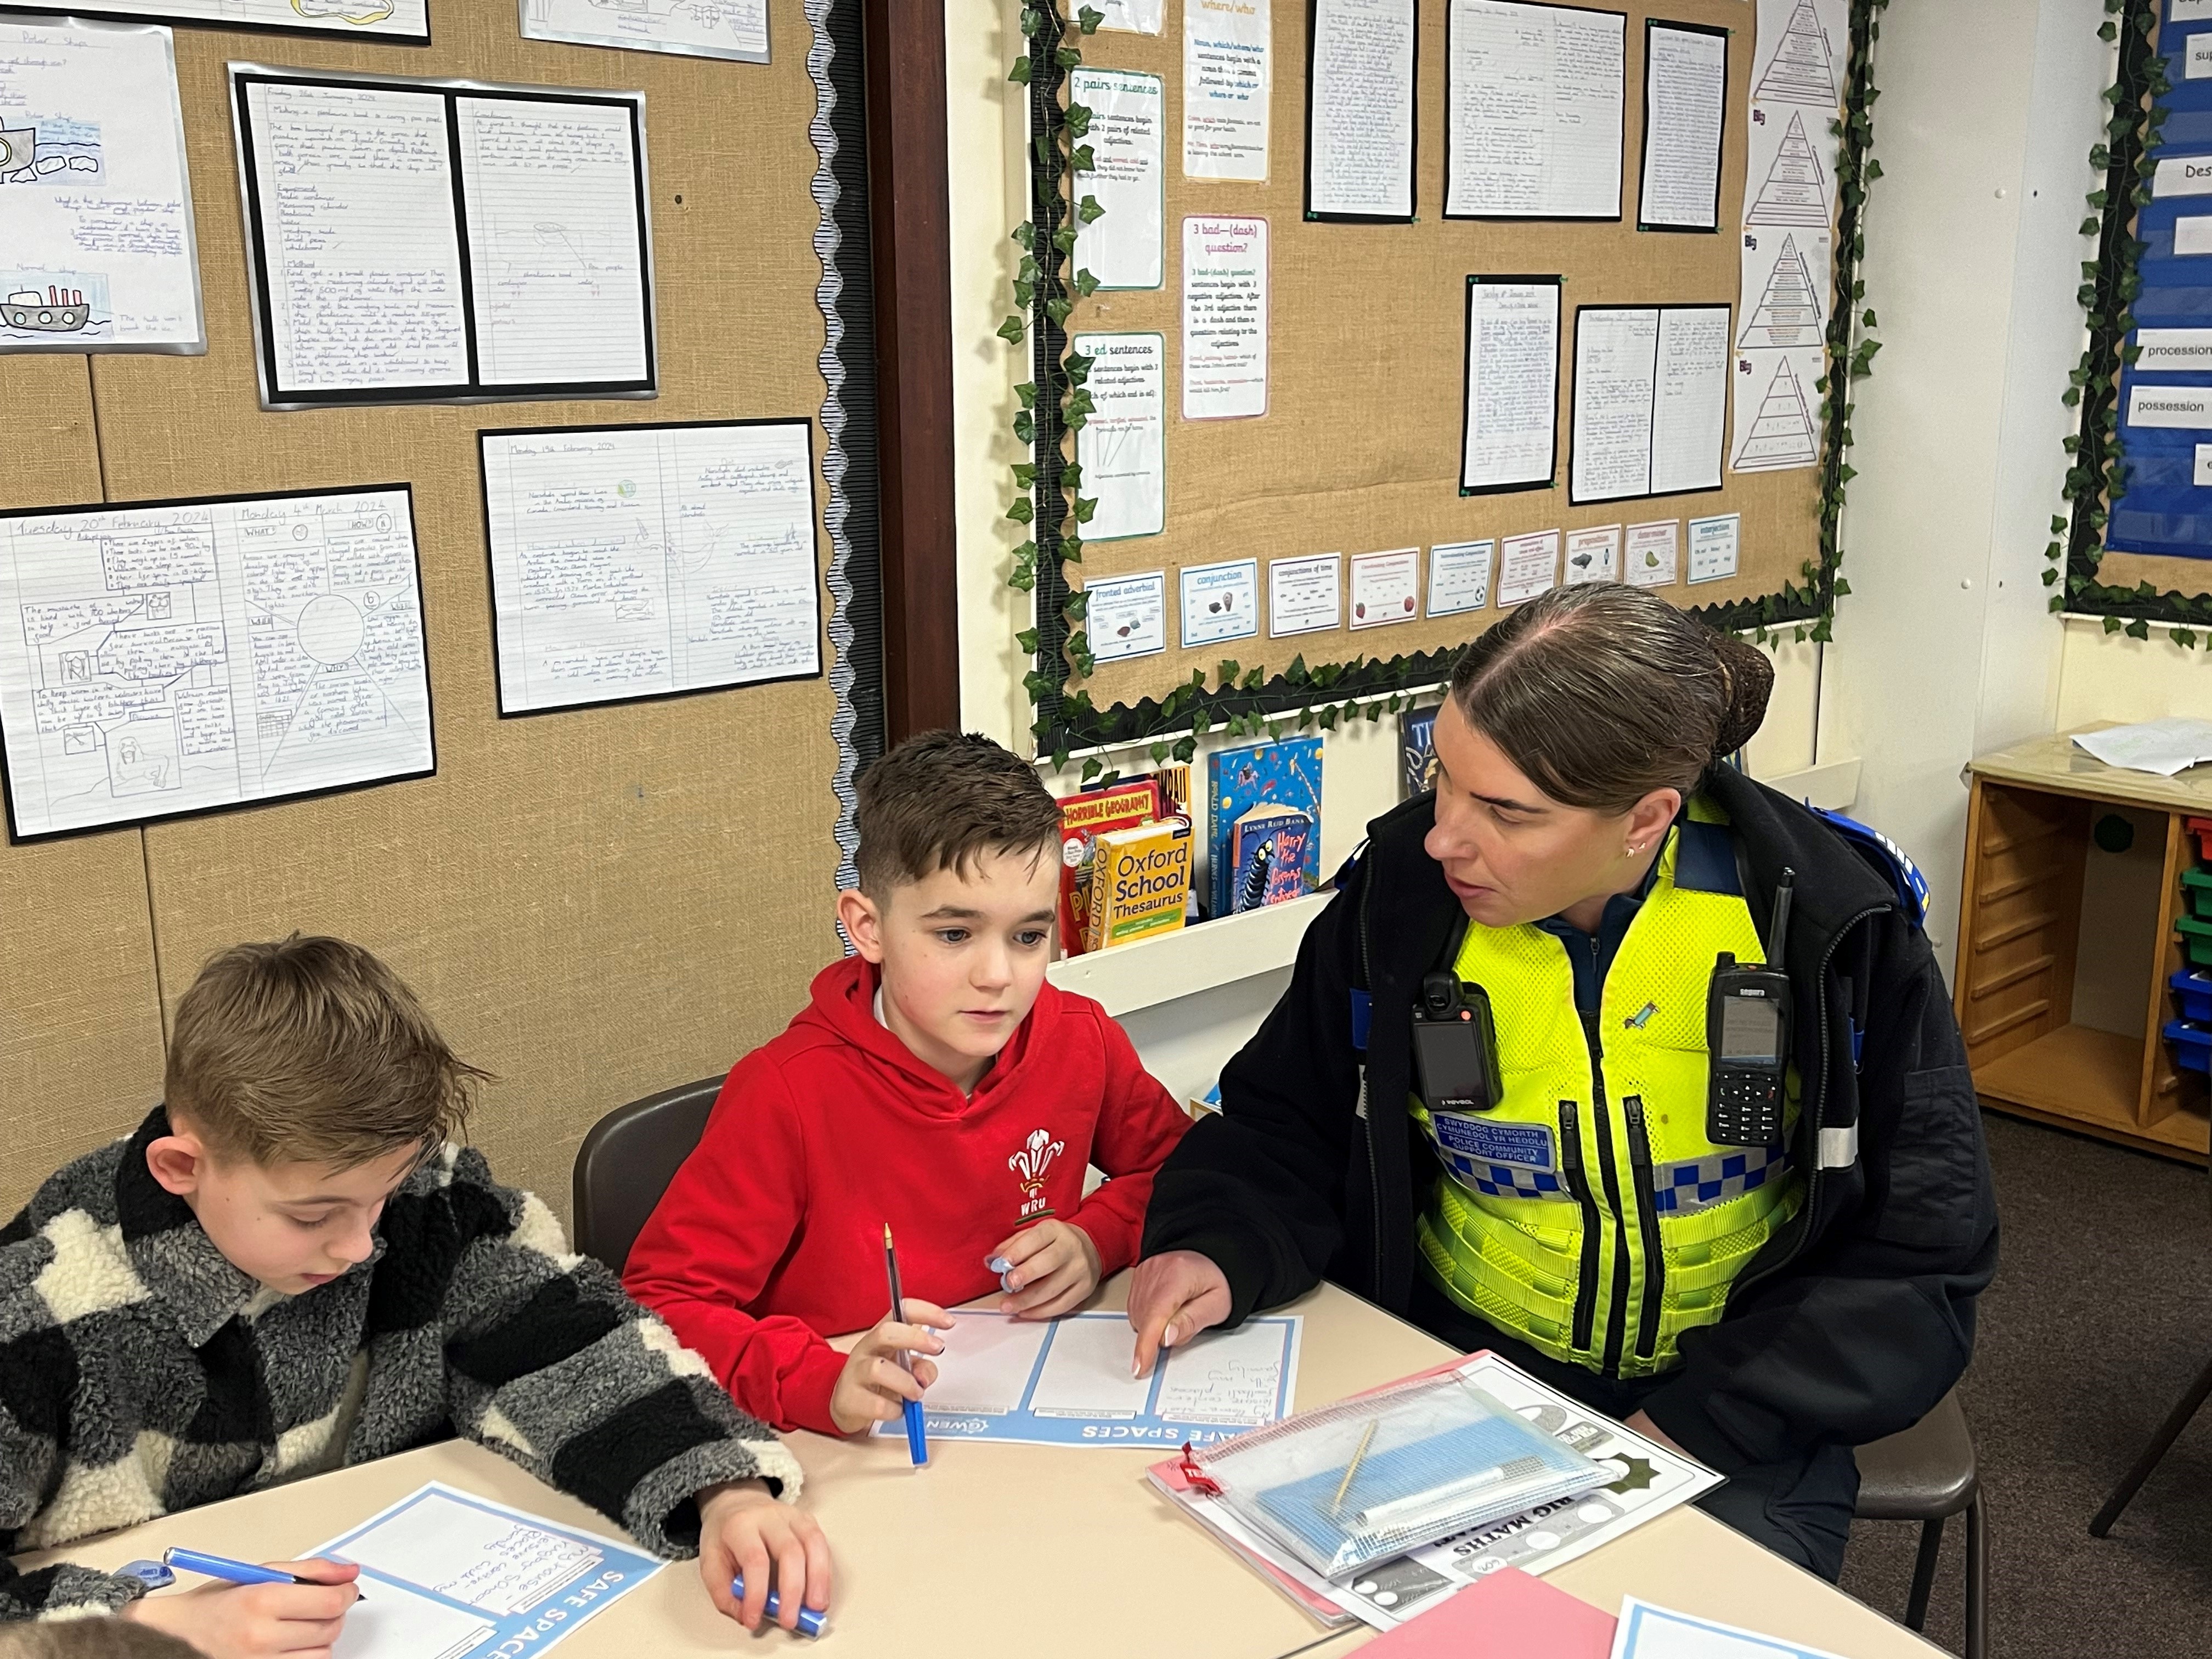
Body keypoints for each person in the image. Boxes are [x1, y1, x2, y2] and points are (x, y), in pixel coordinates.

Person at [1127, 583, 1998, 1581]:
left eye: (1505, 811)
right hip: (1459, 1374)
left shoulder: (1831, 924)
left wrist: (1687, 1431)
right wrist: (1218, 1243)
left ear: (1647, 819)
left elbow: (1924, 1249)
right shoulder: (1398, 904)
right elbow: (1284, 1122)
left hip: (1733, 1411)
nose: (1446, 835)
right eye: (1442, 780)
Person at [0, 937, 828, 1645]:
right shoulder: (45, 1302)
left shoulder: (429, 1202)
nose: (361, 1245)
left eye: (382, 1197)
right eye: (314, 1214)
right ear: (183, 1169)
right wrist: (150, 1631)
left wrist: (723, 1489)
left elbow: (575, 1347)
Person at [624, 730, 1192, 1436]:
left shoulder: (1081, 1036)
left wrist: (1096, 1239)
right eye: (955, 934)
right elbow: (662, 1304)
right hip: (849, 1451)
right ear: (868, 928)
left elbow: (1184, 1168)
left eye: (1028, 937)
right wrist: (818, 1382)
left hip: (1030, 1420)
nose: (998, 976)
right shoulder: (785, 1094)